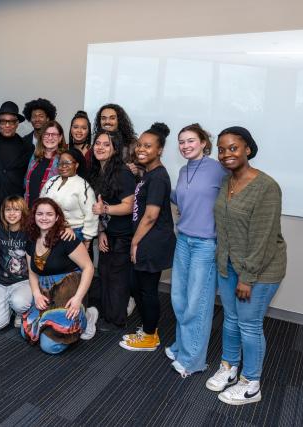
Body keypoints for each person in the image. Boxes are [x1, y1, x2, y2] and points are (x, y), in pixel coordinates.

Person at [206, 126, 286, 406]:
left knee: (249, 325)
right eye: (221, 149)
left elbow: (263, 239)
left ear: (248, 149)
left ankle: (251, 383)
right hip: (229, 266)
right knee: (231, 320)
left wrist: (247, 278)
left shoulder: (266, 187)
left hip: (259, 270)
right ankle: (229, 367)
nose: (226, 154)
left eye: (233, 148)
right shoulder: (228, 182)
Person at [166, 124, 227, 377]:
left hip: (205, 244)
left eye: (191, 140)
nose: (185, 146)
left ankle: (192, 360)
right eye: (181, 142)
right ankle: (182, 345)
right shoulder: (182, 170)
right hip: (184, 240)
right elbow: (183, 199)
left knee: (197, 303)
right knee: (178, 297)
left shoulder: (218, 169)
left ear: (204, 142)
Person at [120, 122, 176, 351]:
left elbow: (151, 215)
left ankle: (151, 337)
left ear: (160, 150)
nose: (141, 149)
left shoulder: (158, 177)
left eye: (148, 146)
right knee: (138, 286)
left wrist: (135, 242)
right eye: (140, 145)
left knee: (147, 290)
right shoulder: (149, 174)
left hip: (152, 241)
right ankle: (148, 329)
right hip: (146, 239)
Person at [23, 198, 96, 354]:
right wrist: (36, 294)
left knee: (50, 346)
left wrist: (77, 298)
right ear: (34, 216)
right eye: (40, 214)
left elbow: (88, 267)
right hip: (44, 288)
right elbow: (32, 271)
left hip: (68, 286)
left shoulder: (66, 237)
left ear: (57, 217)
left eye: (49, 214)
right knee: (27, 333)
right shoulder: (31, 238)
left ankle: (87, 316)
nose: (44, 218)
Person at [87, 130, 136, 332]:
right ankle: (110, 315)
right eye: (97, 143)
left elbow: (129, 205)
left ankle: (117, 320)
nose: (100, 147)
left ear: (115, 149)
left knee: (117, 278)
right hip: (109, 232)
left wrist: (105, 210)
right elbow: (100, 206)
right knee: (105, 274)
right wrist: (101, 232)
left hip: (123, 235)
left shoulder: (122, 172)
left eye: (106, 144)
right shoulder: (100, 171)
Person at [0, 101, 34, 224]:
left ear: (17, 123)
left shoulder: (27, 147)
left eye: (11, 121)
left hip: (14, 208)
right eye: (3, 121)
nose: (7, 125)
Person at [0, 196, 32, 331]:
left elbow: (49, 227)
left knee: (19, 303)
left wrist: (66, 227)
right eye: (8, 210)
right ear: (3, 212)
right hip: (2, 283)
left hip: (23, 282)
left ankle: (20, 311)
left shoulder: (30, 231)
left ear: (23, 212)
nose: (12, 213)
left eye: (16, 210)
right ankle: (10, 307)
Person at [41, 150, 98, 247]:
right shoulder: (51, 181)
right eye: (60, 163)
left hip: (74, 233)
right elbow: (41, 203)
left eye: (67, 163)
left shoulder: (83, 186)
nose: (63, 166)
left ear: (76, 165)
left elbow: (91, 214)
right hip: (51, 230)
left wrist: (87, 239)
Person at [24, 120, 66, 207]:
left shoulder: (64, 159)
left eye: (54, 134)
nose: (50, 138)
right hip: (29, 210)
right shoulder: (35, 157)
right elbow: (26, 183)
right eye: (46, 134)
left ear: (60, 138)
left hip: (50, 213)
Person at [93, 103, 138, 174]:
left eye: (112, 118)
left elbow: (144, 168)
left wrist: (136, 171)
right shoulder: (97, 140)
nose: (107, 122)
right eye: (103, 118)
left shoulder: (131, 142)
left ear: (119, 120)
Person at [67, 111, 92, 179]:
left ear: (88, 131)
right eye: (75, 127)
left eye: (84, 128)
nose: (79, 131)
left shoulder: (94, 151)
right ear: (71, 129)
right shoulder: (64, 148)